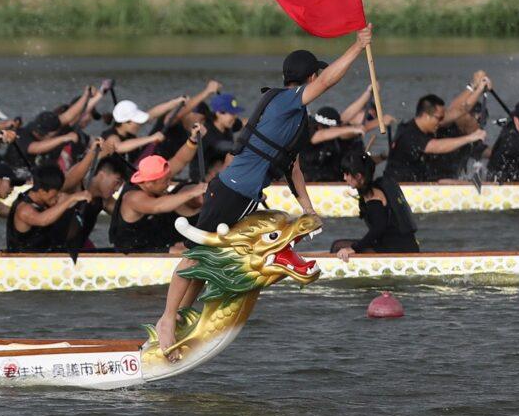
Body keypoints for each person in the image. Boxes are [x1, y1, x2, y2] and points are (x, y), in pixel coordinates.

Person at [151, 29, 370, 352]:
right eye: (316, 76)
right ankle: (167, 318)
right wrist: (358, 46)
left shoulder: (294, 117)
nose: (319, 81)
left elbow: (293, 168)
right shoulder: (285, 101)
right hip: (230, 191)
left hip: (244, 196)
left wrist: (309, 210)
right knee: (195, 253)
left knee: (209, 258)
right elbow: (327, 83)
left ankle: (183, 314)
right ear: (310, 77)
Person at [109, 154, 206, 254]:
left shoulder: (151, 188)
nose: (169, 184)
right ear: (149, 183)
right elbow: (157, 206)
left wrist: (193, 141)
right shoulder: (133, 197)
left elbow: (180, 159)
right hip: (132, 252)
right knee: (183, 253)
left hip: (152, 244)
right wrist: (193, 192)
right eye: (165, 181)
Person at [330, 152, 419, 256]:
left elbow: (378, 228)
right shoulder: (377, 187)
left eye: (347, 174)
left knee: (337, 247)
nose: (344, 178)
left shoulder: (373, 196)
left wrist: (354, 248)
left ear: (358, 176)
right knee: (339, 245)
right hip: (401, 245)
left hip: (396, 249)